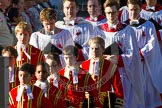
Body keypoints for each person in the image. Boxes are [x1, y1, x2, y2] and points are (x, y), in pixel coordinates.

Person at [94, 0, 145, 107]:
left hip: (122, 72)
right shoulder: (99, 31)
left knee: (122, 101)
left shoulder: (128, 30)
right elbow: (93, 50)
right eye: (108, 13)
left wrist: (118, 59)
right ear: (104, 13)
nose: (111, 15)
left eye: (113, 12)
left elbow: (134, 55)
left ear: (118, 13)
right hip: (104, 72)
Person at [125, 0, 162, 107]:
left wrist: (141, 54)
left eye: (136, 9)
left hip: (144, 63)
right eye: (131, 10)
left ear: (140, 9)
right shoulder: (124, 27)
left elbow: (153, 43)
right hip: (131, 63)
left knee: (146, 87)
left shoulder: (149, 25)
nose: (133, 12)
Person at [80, 36, 124, 107]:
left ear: (103, 49)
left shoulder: (111, 66)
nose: (94, 51)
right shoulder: (83, 65)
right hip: (88, 103)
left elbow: (118, 88)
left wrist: (117, 105)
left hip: (105, 103)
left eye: (97, 49)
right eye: (92, 48)